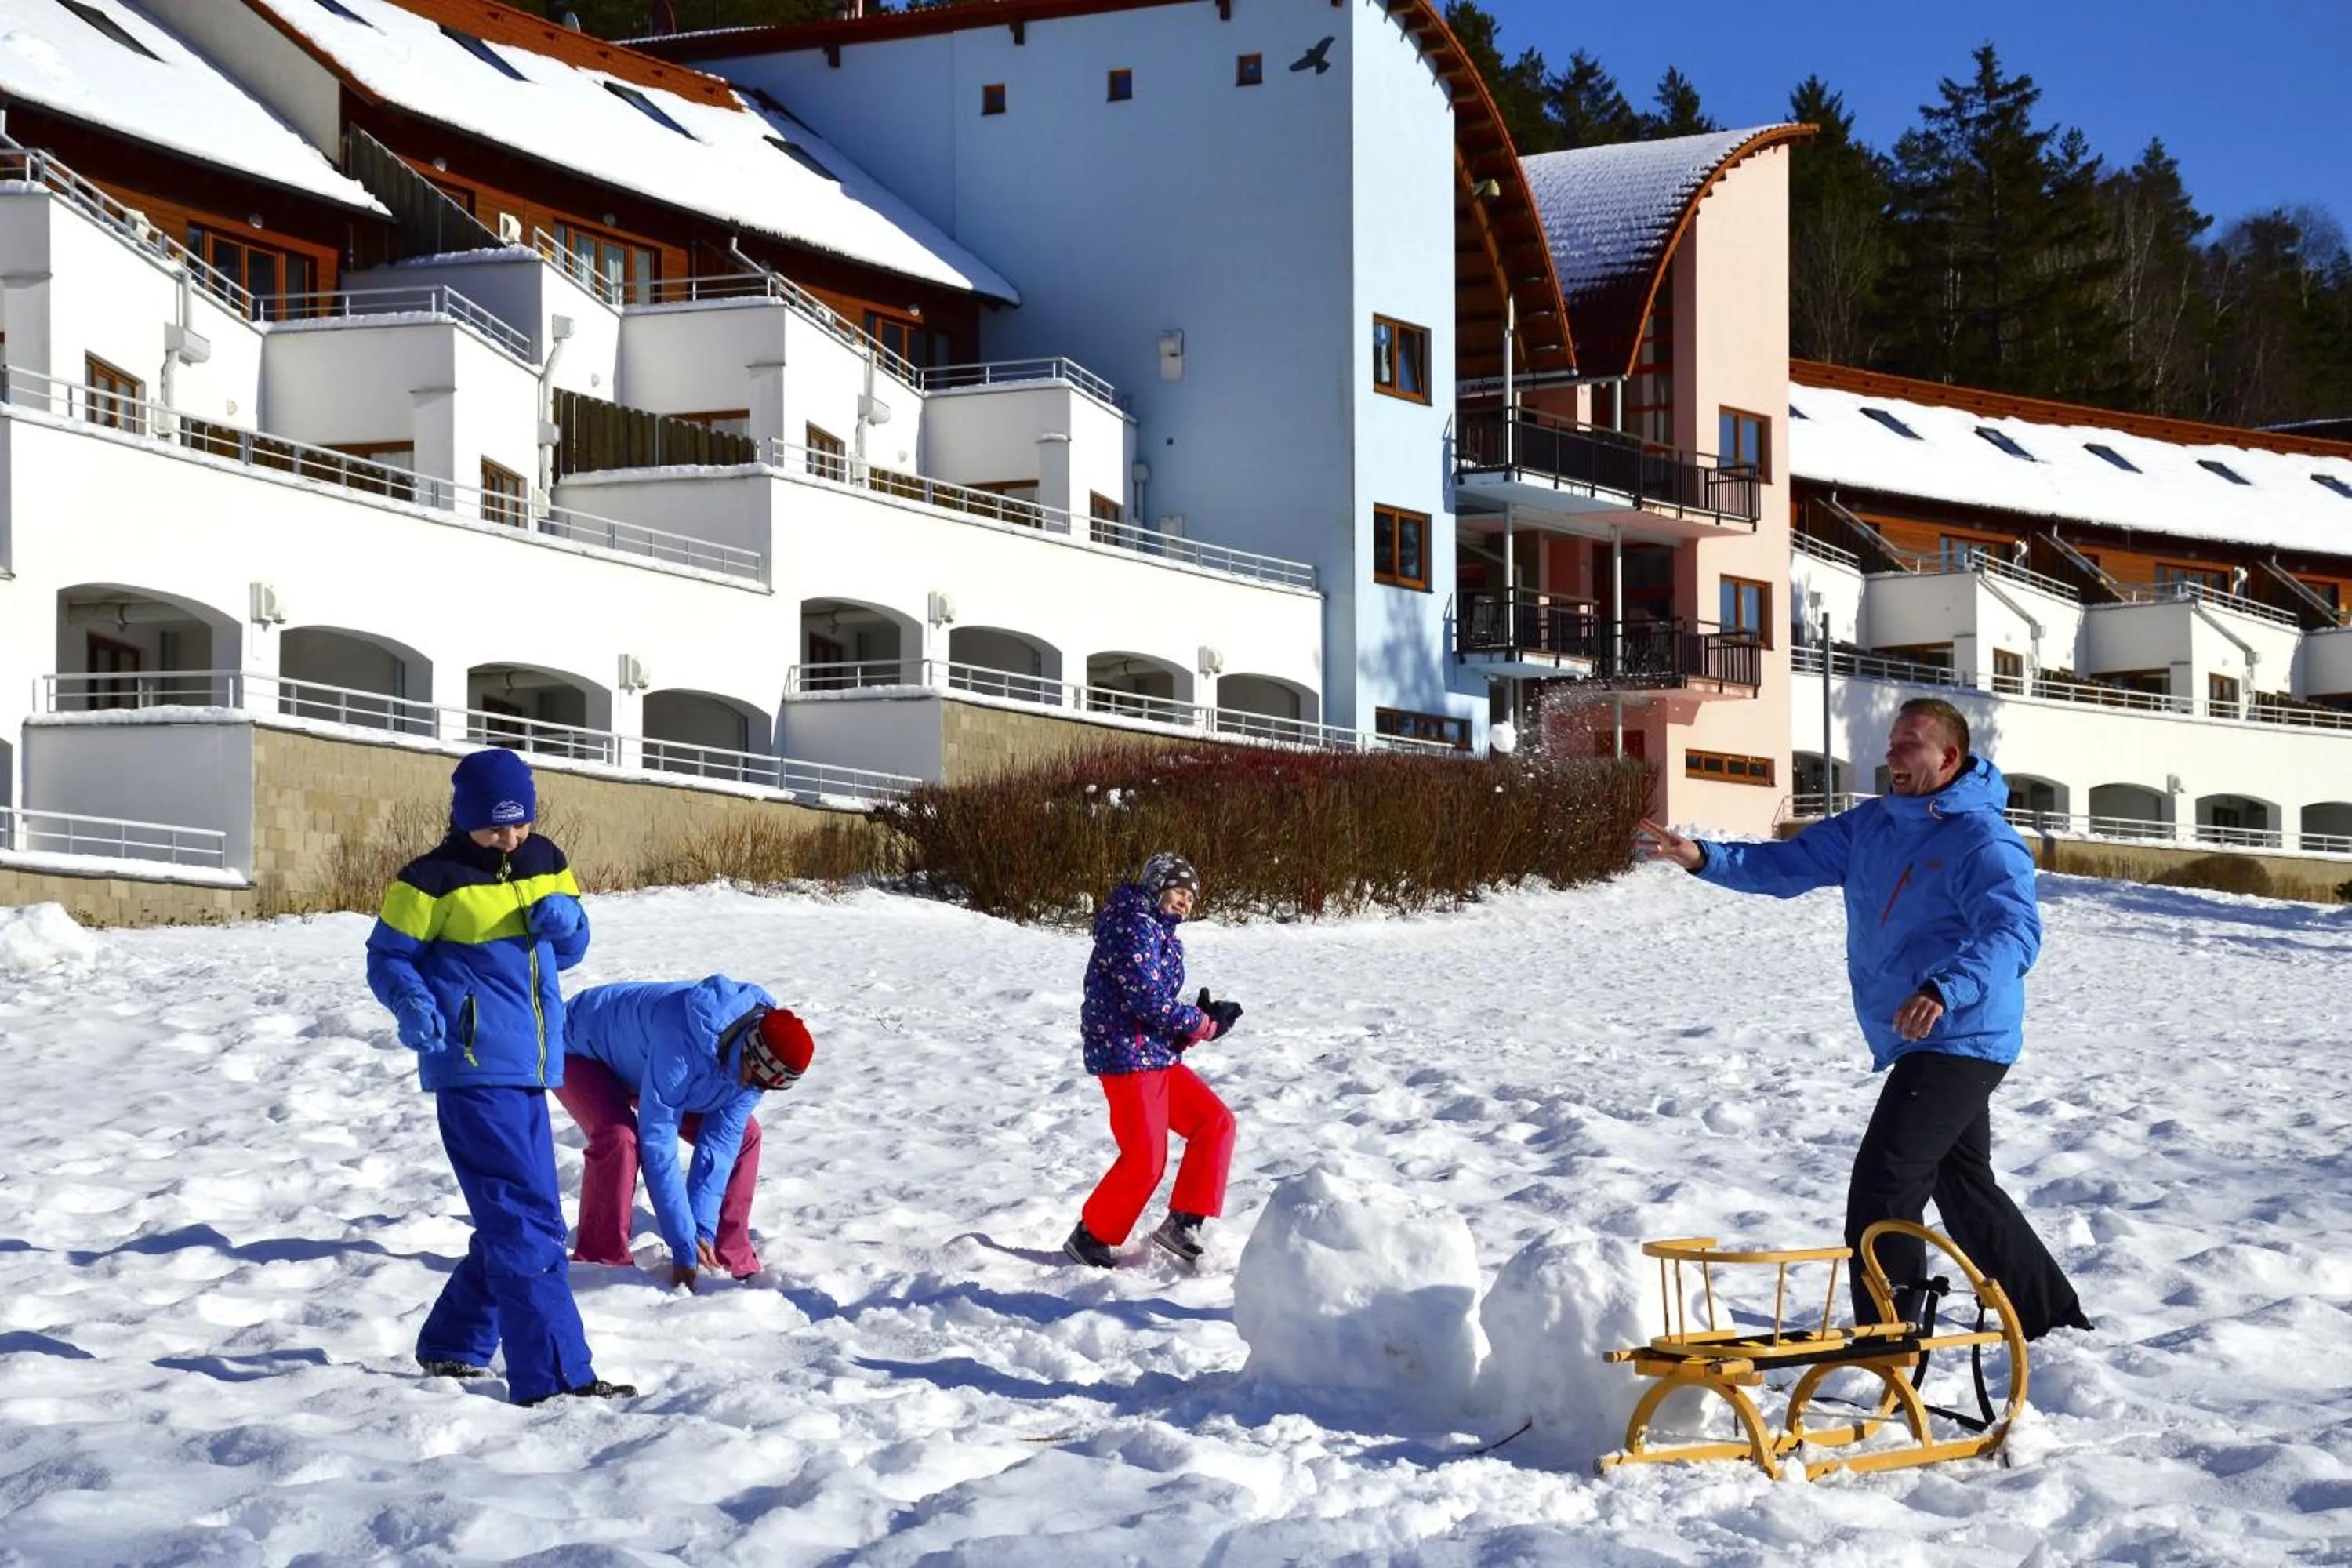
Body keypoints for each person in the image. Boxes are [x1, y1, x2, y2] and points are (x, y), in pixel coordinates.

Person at [1639, 697, 2092, 1341]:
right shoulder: (1873, 826)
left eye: (1909, 744)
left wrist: (1944, 987)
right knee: (1962, 1183)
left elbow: (2015, 932)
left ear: (1949, 758)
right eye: (1891, 742)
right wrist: (1705, 858)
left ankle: (1888, 1337)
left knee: (1886, 1185)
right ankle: (2052, 1318)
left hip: (1964, 1032)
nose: (1892, 755)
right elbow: (1786, 866)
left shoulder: (1983, 840)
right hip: (1919, 1035)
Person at [364, 749, 634, 1405]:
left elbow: (569, 948)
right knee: (527, 1223)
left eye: (518, 824)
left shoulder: (546, 859)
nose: (509, 837)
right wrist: (413, 1002)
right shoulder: (431, 879)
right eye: (494, 826)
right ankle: (557, 1378)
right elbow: (387, 957)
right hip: (473, 1064)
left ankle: (456, 1342)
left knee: (519, 1216)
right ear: (465, 817)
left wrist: (570, 923)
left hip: (532, 1063)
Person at [557, 977, 815, 1290]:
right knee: (620, 1137)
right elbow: (659, 1144)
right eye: (757, 1078)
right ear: (751, 1051)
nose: (754, 1088)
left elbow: (718, 1149)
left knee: (747, 1136)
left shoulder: (758, 1063)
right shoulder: (683, 1038)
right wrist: (682, 1243)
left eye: (769, 1085)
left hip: (644, 1069)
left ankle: (723, 1253)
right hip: (580, 1046)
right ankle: (602, 1259)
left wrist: (700, 1233)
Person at [1065, 852, 1242, 1269]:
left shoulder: (1159, 932)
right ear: (1158, 885)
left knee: (1214, 1123)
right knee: (1146, 1160)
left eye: (1191, 897)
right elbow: (1145, 1000)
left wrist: (1194, 1022)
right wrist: (1203, 1025)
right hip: (1126, 1057)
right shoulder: (1132, 926)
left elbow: (1153, 1004)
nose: (1185, 902)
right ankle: (1092, 1235)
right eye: (1180, 891)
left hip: (1152, 1054)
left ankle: (1183, 1222)